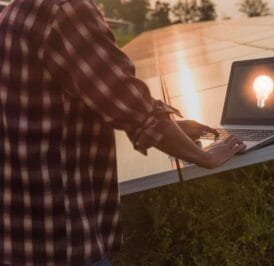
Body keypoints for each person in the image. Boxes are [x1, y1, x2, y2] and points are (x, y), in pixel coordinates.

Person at [0, 0, 245, 265]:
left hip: (21, 228)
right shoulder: (65, 9)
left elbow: (60, 108)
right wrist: (203, 156)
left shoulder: (16, 10)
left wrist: (175, 129)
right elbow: (128, 100)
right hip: (60, 235)